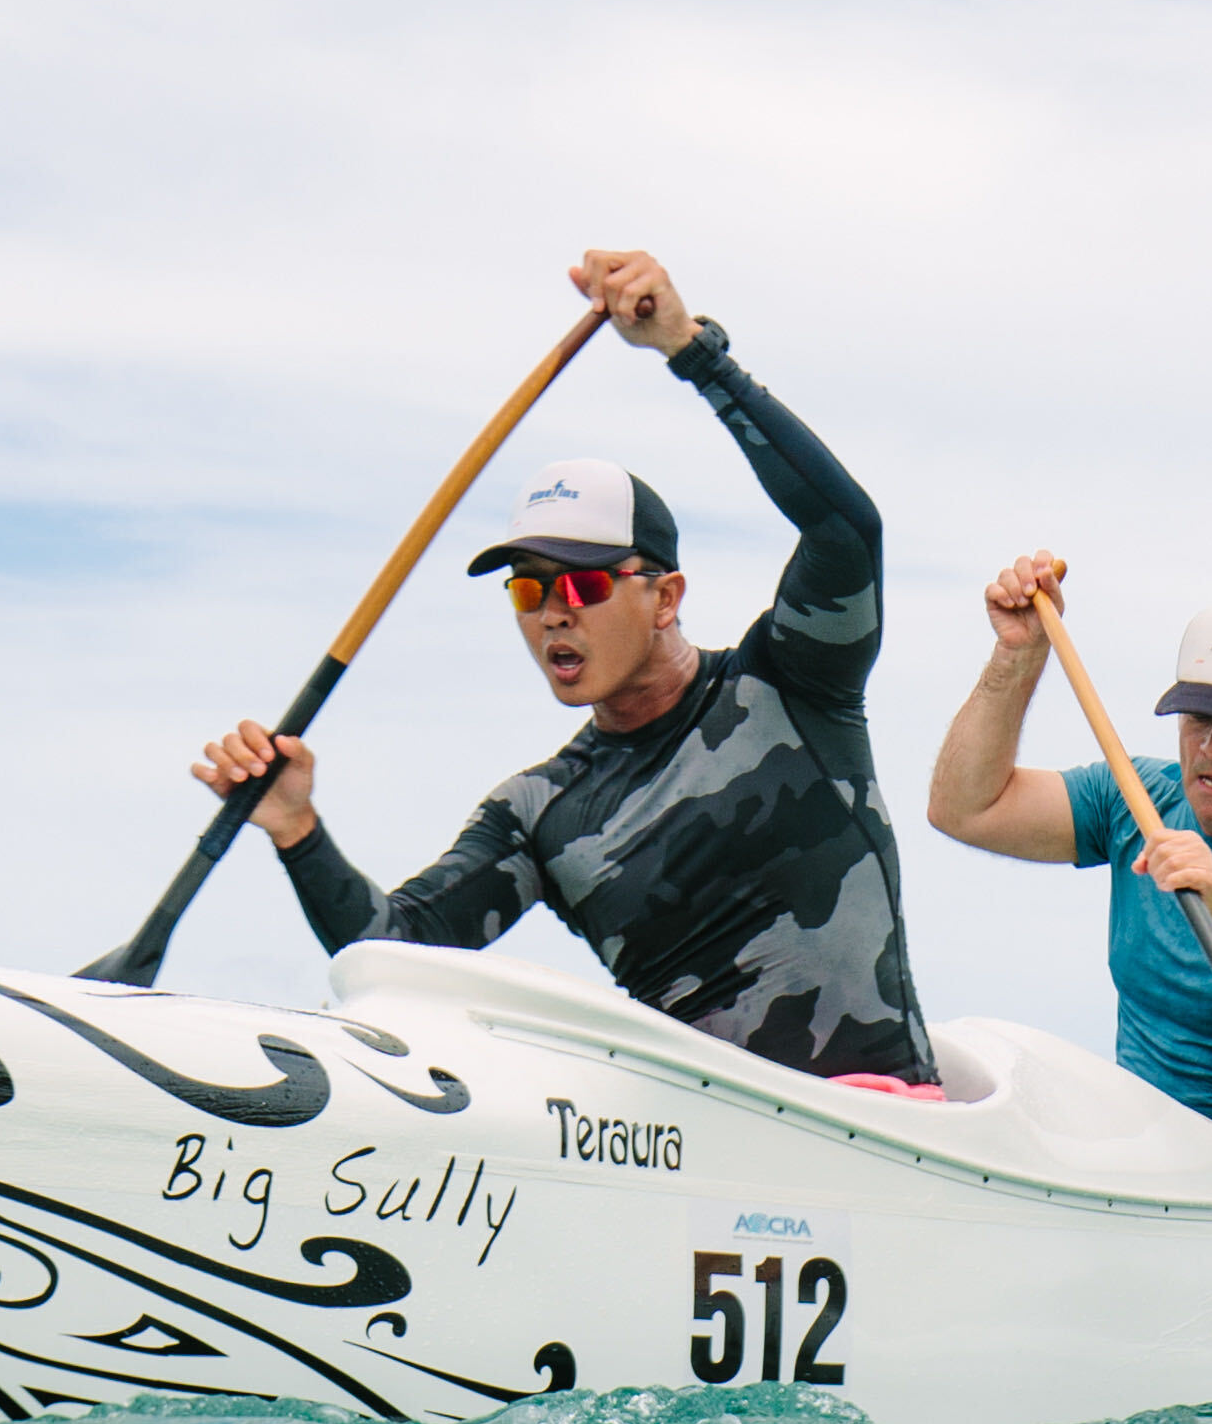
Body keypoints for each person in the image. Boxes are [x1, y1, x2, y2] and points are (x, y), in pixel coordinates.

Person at [193, 250, 936, 1085]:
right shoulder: (540, 812)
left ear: (665, 597)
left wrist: (692, 351)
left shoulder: (793, 682)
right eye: (530, 589)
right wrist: (297, 828)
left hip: (879, 1126)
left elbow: (845, 529)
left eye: (583, 583)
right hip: (703, 1162)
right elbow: (394, 953)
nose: (554, 611)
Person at [923, 557, 1212, 1126]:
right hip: (1142, 1149)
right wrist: (1018, 656)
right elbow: (964, 809)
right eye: (1197, 717)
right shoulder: (1135, 800)